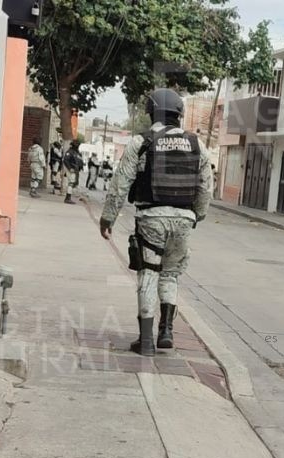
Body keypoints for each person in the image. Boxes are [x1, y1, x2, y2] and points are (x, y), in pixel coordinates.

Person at [99, 88, 213, 356]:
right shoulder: (198, 144)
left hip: (151, 217)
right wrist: (197, 214)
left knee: (149, 274)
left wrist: (108, 218)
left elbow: (120, 184)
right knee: (170, 275)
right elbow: (206, 187)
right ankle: (167, 331)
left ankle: (146, 341)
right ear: (179, 115)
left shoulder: (142, 142)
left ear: (152, 113)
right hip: (184, 219)